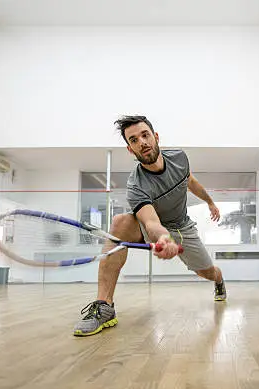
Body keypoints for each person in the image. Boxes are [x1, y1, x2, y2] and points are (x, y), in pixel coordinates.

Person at [73, 115, 227, 336]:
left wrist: (210, 202)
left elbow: (191, 182)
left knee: (208, 272)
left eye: (145, 135)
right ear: (130, 149)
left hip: (183, 226)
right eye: (134, 140)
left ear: (155, 137)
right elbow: (151, 221)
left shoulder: (179, 158)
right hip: (156, 227)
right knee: (121, 223)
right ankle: (104, 305)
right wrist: (164, 238)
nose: (142, 142)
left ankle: (219, 281)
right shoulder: (136, 185)